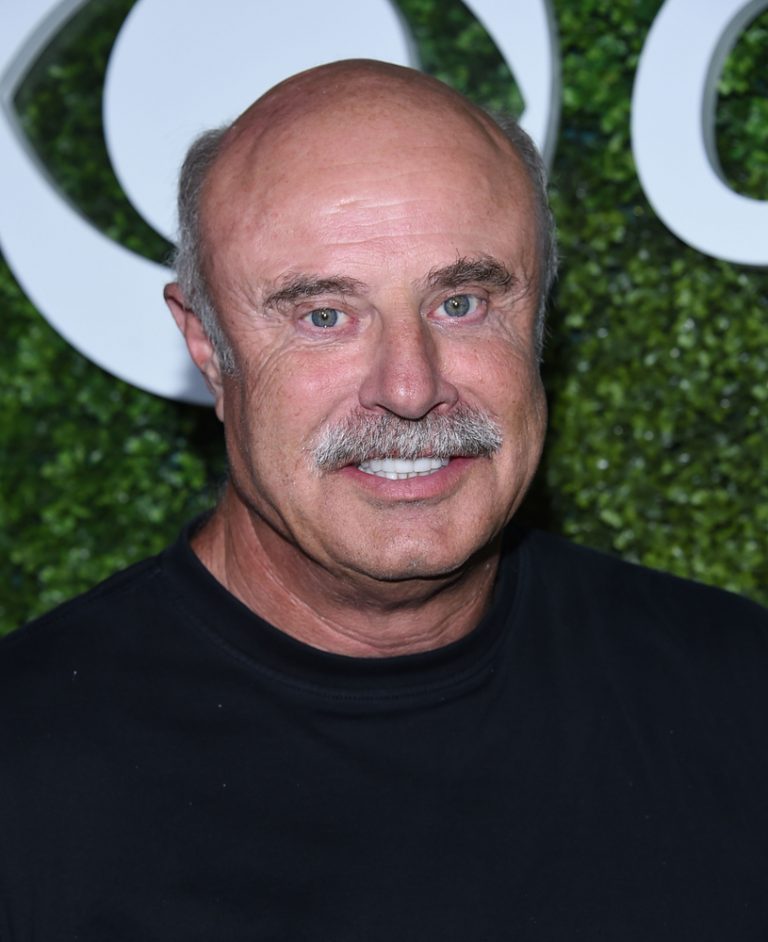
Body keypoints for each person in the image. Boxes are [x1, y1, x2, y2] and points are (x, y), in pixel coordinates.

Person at [1, 59, 766, 941]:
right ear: (208, 348)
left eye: (462, 302)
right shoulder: (25, 769)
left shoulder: (738, 694)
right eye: (324, 316)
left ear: (539, 323)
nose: (410, 387)